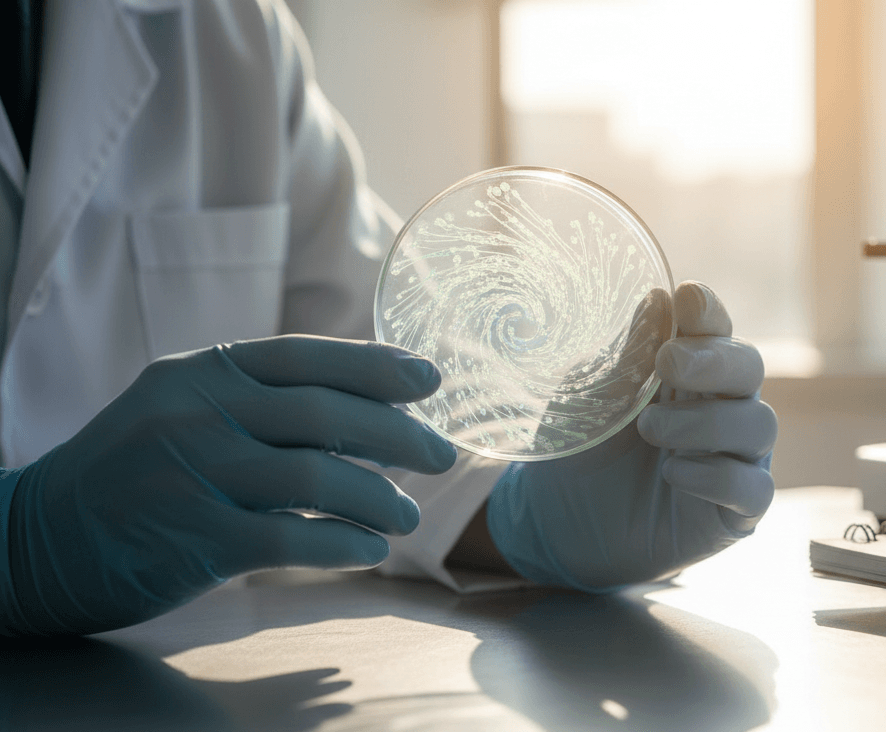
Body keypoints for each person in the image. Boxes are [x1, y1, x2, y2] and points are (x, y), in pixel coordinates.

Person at [0, 0, 777, 637]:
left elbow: (378, 383)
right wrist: (17, 547)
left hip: (163, 707)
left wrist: (521, 513)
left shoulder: (228, 30)